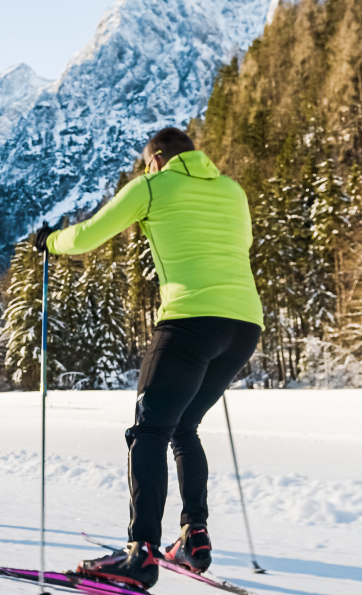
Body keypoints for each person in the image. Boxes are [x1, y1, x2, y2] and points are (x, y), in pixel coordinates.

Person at [35, 127, 263, 589]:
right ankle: (194, 538)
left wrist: (49, 242)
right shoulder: (232, 190)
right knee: (184, 427)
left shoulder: (152, 185)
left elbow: (86, 237)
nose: (144, 171)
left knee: (149, 431)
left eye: (145, 164)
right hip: (244, 326)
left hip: (188, 322)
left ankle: (141, 553)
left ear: (155, 158)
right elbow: (240, 247)